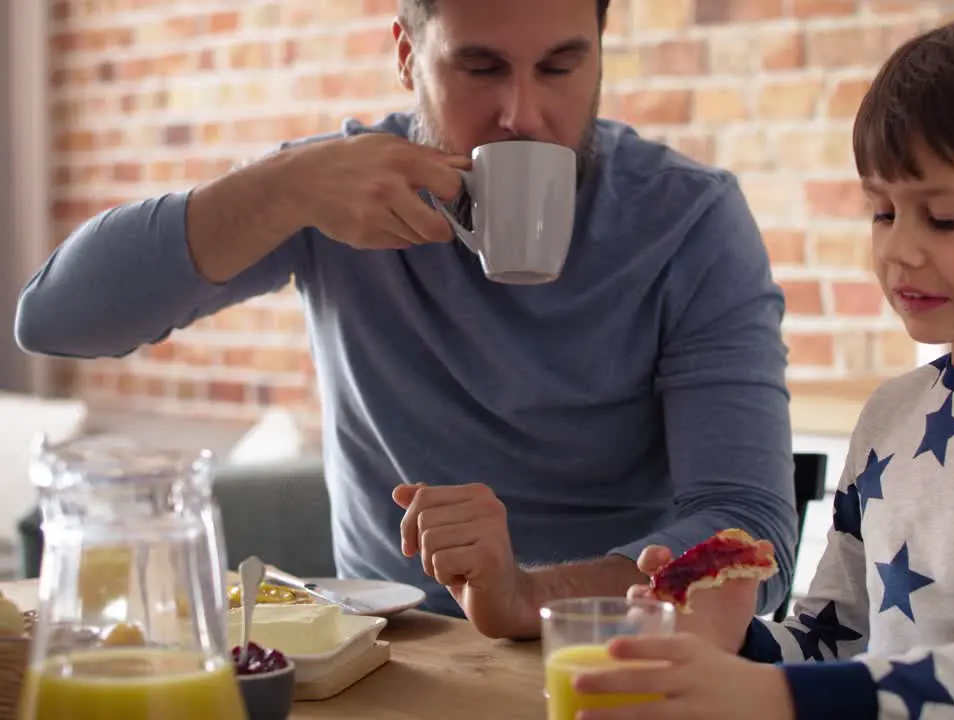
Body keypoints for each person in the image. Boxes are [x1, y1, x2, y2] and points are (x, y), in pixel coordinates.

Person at [12, 0, 798, 639]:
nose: (522, 115)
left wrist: (531, 595)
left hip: (614, 655)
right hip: (387, 658)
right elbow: (56, 321)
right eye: (479, 66)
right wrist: (281, 187)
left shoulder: (689, 221)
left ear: (599, 51)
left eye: (561, 66)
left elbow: (750, 533)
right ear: (406, 55)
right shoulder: (340, 191)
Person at [572, 17, 954, 719]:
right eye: (883, 212)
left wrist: (769, 694)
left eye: (945, 218)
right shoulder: (894, 413)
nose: (900, 250)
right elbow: (834, 643)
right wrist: (731, 639)